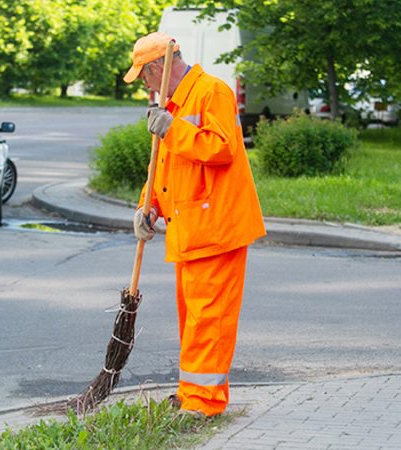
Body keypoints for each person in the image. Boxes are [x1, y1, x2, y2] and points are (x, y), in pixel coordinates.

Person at [123, 32, 266, 418]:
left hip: (217, 229)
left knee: (209, 320)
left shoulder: (211, 93)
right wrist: (147, 207)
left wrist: (174, 128)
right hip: (193, 230)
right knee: (195, 319)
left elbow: (222, 149)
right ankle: (192, 394)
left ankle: (204, 403)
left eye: (145, 76)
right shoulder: (173, 105)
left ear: (159, 67)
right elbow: (164, 169)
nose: (145, 86)